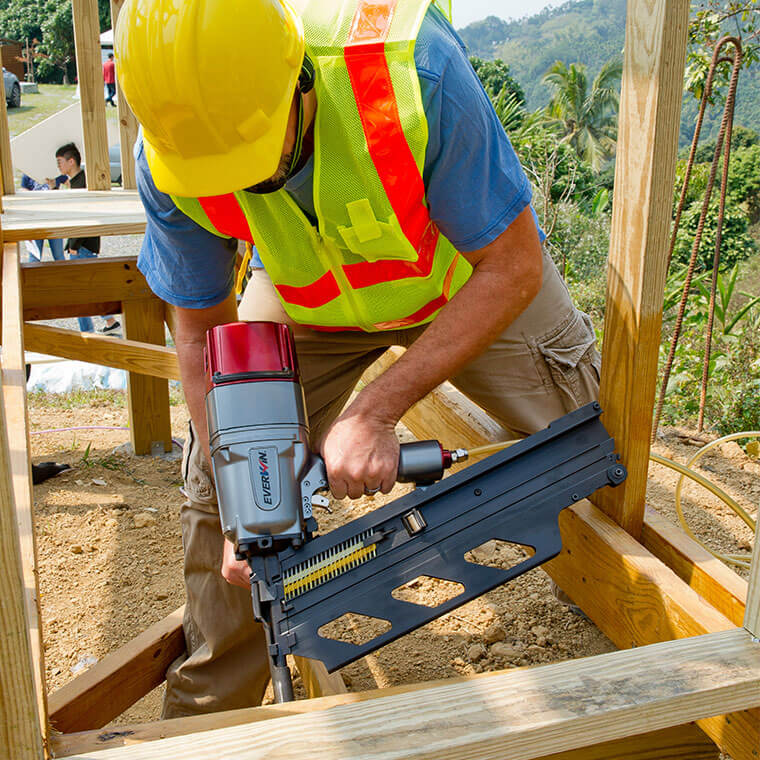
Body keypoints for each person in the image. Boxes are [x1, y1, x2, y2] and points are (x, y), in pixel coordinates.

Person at [116, 0, 601, 718]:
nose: (247, 182)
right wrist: (241, 501)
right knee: (233, 474)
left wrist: (376, 411)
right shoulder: (173, 155)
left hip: (460, 276)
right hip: (307, 294)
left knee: (586, 437)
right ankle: (210, 715)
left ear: (299, 82)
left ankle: (601, 587)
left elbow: (512, 267)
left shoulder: (413, 69)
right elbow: (199, 336)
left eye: (258, 154)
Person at [54, 143, 121, 334]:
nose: (58, 166)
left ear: (71, 161)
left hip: (81, 245)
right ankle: (109, 322)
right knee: (90, 289)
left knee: (79, 293)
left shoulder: (80, 184)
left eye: (60, 162)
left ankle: (90, 331)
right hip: (83, 244)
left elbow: (85, 214)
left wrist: (74, 244)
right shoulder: (78, 181)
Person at [21, 173, 67, 263]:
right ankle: (33, 277)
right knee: (34, 256)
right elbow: (23, 195)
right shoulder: (27, 174)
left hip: (54, 220)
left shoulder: (54, 172)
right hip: (35, 221)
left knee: (58, 255)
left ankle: (63, 276)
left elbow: (71, 184)